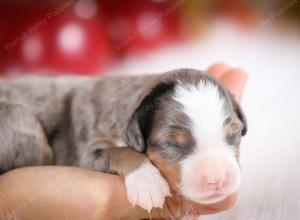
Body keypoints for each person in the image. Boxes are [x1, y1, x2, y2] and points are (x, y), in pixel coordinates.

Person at [0, 63, 247, 220]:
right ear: (135, 132)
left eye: (231, 135)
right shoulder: (105, 115)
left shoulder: (139, 110)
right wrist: (133, 164)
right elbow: (90, 153)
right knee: (19, 129)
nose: (217, 177)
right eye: (176, 144)